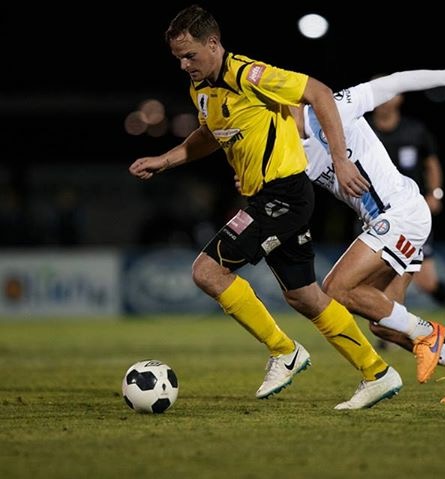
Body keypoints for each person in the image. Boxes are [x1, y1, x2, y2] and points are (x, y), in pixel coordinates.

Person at [128, 4, 401, 410]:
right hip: (268, 198)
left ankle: (283, 350)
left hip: (284, 195)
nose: (185, 65)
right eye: (179, 58)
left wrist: (340, 159)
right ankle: (377, 371)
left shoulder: (248, 74)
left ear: (213, 44)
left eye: (190, 55)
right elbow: (210, 134)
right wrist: (165, 160)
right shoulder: (201, 90)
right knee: (305, 297)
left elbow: (318, 92)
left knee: (207, 271)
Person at [291, 65, 445, 403]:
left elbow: (397, 81)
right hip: (387, 223)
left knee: (336, 288)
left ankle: (429, 333)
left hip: (401, 214)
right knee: (385, 323)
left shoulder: (334, 106)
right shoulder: (290, 152)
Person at [368, 83, 445, 347]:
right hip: (375, 214)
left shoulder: (415, 131)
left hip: (410, 215)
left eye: (389, 93)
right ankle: (388, 330)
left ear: (399, 98)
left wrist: (435, 194)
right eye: (378, 94)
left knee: (426, 281)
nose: (384, 99)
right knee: (374, 277)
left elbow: (431, 163)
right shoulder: (364, 130)